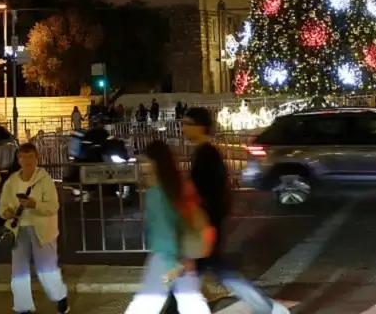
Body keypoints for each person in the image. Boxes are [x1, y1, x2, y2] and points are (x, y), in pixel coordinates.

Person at [164, 108, 290, 314]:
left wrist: (204, 223)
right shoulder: (202, 153)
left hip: (205, 226)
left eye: (188, 123)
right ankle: (268, 308)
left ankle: (269, 308)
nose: (183, 128)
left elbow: (213, 193)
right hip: (205, 226)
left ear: (201, 126)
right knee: (219, 272)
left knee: (210, 273)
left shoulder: (208, 154)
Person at [124, 141, 211, 314]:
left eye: (145, 162)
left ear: (154, 163)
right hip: (184, 254)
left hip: (165, 258)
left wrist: (172, 263)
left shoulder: (156, 193)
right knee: (191, 302)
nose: (142, 167)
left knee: (146, 303)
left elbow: (164, 230)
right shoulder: (176, 186)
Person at [0, 142, 69, 314]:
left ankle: (60, 297)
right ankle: (23, 307)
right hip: (18, 229)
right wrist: (6, 212)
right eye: (23, 156)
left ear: (37, 159)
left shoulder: (44, 180)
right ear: (19, 160)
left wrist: (34, 204)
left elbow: (53, 206)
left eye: (31, 156)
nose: (27, 160)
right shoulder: (12, 181)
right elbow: (2, 205)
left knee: (47, 269)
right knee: (19, 271)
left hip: (42, 230)